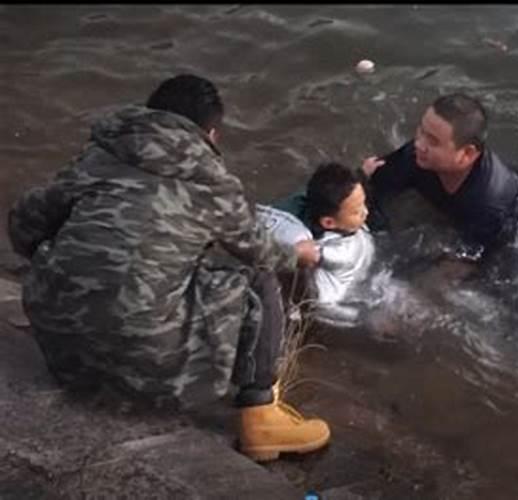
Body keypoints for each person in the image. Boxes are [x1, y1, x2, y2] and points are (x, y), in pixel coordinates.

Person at [7, 74, 331, 462]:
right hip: (149, 376)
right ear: (211, 134)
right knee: (256, 281)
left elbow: (23, 225)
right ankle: (260, 418)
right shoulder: (212, 182)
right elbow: (259, 251)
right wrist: (298, 255)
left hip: (63, 356)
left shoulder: (99, 159)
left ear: (151, 115)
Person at [361, 93, 518, 259]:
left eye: (433, 141)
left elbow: (484, 262)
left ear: (466, 154)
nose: (419, 144)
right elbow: (370, 189)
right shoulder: (415, 155)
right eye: (421, 131)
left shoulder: (489, 204)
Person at [257, 162, 375, 327]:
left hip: (361, 267)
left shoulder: (308, 200)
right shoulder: (344, 252)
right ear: (329, 222)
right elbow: (310, 254)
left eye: (363, 203)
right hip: (329, 300)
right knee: (364, 319)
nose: (366, 211)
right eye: (356, 211)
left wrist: (361, 174)